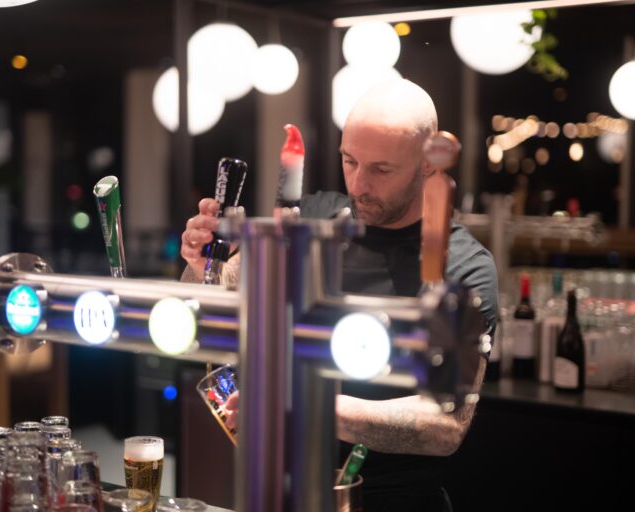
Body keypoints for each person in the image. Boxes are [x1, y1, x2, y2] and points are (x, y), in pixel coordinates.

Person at [180, 78, 498, 512]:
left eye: (381, 169)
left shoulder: (462, 267)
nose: (359, 184)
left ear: (427, 164)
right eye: (349, 160)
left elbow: (446, 424)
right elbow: (205, 307)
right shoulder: (312, 221)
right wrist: (202, 264)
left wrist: (305, 402)